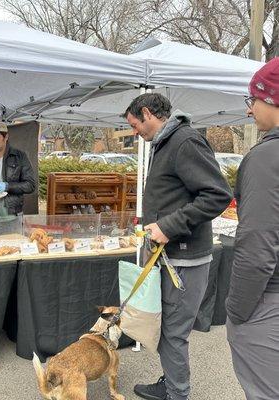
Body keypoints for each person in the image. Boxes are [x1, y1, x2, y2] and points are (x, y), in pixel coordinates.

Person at [124, 93, 232, 400]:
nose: (135, 133)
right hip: (170, 257)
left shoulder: (185, 142)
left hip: (185, 261)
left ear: (147, 113)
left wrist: (167, 226)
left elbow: (217, 195)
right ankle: (171, 384)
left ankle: (177, 394)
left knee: (173, 334)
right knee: (166, 331)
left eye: (135, 125)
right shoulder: (165, 142)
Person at [226, 57, 279, 400]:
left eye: (253, 100)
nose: (249, 110)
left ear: (272, 99)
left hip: (269, 299)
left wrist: (236, 311)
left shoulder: (265, 158)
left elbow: (258, 248)